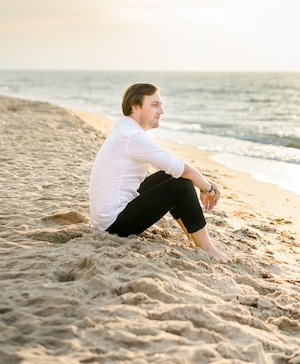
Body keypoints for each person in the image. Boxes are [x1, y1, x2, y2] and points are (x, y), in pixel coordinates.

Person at [89, 83, 228, 261]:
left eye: (161, 105)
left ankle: (194, 234)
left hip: (107, 219)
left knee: (173, 176)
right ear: (135, 108)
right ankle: (208, 249)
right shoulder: (132, 136)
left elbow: (173, 166)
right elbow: (183, 170)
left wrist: (205, 183)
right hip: (113, 226)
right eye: (154, 105)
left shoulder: (125, 128)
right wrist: (208, 189)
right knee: (181, 183)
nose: (161, 110)